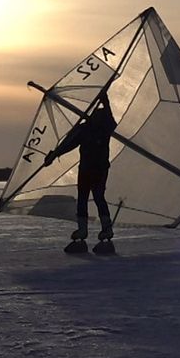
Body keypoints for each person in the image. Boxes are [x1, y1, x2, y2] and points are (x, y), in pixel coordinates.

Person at [45, 97, 118, 255]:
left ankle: (106, 229)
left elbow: (111, 120)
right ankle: (83, 230)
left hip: (98, 169)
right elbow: (69, 143)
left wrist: (105, 101)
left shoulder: (104, 128)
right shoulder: (85, 129)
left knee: (98, 197)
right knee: (84, 198)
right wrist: (54, 155)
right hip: (87, 169)